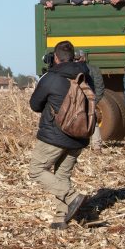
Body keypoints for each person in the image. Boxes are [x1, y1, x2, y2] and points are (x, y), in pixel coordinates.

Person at [28, 40, 91, 229]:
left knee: (36, 170)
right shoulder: (85, 74)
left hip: (55, 136)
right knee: (62, 176)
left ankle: (73, 197)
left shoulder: (50, 78)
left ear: (55, 58)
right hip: (80, 135)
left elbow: (35, 105)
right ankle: (59, 219)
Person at [73, 50, 106, 152]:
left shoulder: (93, 69)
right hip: (77, 101)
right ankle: (79, 145)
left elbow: (100, 87)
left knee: (93, 122)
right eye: (75, 59)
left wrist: (94, 101)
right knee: (77, 122)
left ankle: (96, 145)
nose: (76, 61)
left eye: (78, 58)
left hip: (88, 100)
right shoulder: (72, 70)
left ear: (84, 58)